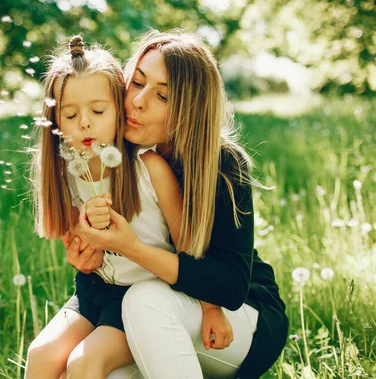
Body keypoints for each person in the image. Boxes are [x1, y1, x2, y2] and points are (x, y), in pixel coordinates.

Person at [67, 30, 289, 379]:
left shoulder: (222, 164)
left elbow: (230, 286)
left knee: (144, 300)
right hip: (150, 313)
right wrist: (86, 261)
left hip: (240, 319)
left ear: (191, 108)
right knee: (91, 370)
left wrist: (131, 248)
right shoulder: (112, 152)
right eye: (136, 82)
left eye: (163, 96)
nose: (138, 101)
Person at [25, 35, 231, 379]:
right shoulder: (63, 172)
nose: (85, 123)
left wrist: (211, 309)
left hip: (146, 299)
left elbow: (190, 247)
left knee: (84, 363)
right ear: (55, 121)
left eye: (98, 110)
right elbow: (81, 249)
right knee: (42, 354)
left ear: (119, 108)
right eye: (71, 114)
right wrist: (83, 255)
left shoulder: (149, 169)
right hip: (97, 293)